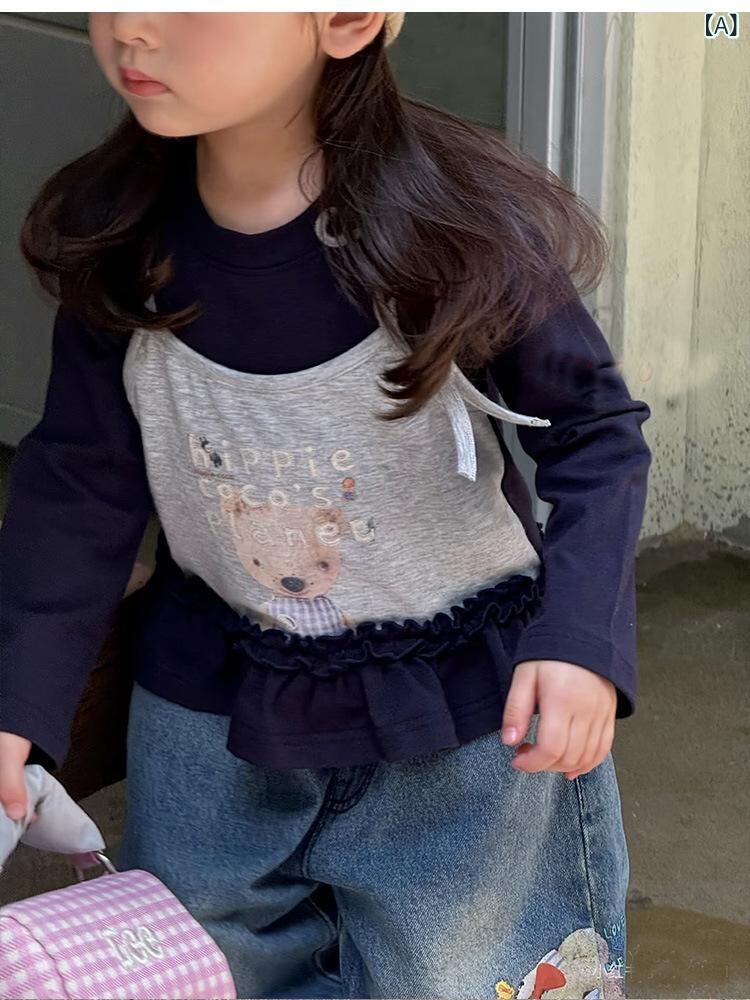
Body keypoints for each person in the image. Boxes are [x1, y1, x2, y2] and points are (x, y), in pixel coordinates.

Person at [0, 12, 652, 999]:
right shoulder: (118, 241)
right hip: (215, 720)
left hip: (466, 731)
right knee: (199, 973)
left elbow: (594, 432)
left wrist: (581, 641)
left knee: (474, 981)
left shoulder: (456, 228)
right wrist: (18, 708)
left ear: (347, 18)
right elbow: (79, 488)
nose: (133, 25)